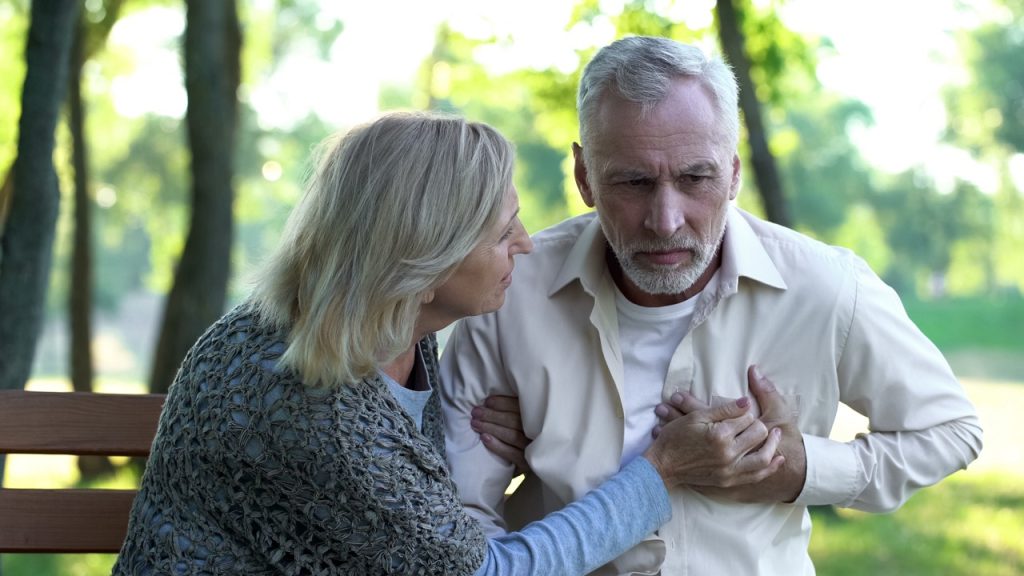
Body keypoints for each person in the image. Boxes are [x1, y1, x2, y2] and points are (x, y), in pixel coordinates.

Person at [112, 111, 787, 575]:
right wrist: (662, 472)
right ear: (423, 256)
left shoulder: (397, 333)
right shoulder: (299, 399)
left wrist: (506, 442)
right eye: (502, 232)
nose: (525, 244)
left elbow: (403, 509)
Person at [440, 36, 984, 575]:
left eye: (695, 178)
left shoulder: (826, 287)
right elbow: (463, 523)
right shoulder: (510, 292)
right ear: (584, 178)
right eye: (633, 181)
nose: (666, 219)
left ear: (734, 174)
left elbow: (951, 431)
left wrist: (801, 470)